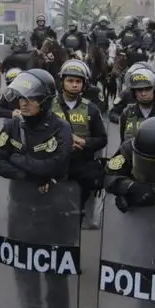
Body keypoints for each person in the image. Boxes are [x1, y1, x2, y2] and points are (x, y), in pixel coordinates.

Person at [0, 68, 72, 308]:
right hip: (21, 211)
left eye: (32, 98)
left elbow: (56, 165)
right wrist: (30, 171)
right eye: (21, 98)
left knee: (55, 279)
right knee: (24, 274)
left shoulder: (60, 127)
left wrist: (19, 160)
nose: (24, 104)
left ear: (46, 100)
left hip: (54, 215)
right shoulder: (12, 127)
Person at [52, 60, 108, 212]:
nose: (74, 84)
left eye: (78, 81)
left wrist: (84, 143)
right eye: (70, 80)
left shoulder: (92, 109)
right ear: (62, 81)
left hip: (81, 167)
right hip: (53, 167)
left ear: (84, 84)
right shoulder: (48, 106)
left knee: (76, 211)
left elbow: (102, 139)